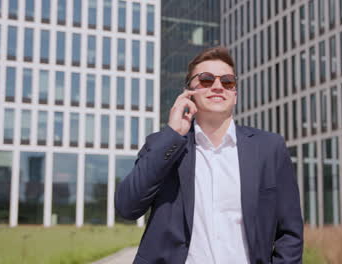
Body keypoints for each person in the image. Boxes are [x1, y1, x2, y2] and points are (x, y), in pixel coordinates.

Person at [115, 46, 303, 263]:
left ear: (235, 95)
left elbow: (290, 232)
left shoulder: (270, 148)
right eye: (206, 80)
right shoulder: (163, 145)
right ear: (189, 92)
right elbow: (127, 207)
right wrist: (173, 135)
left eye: (227, 81)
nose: (217, 87)